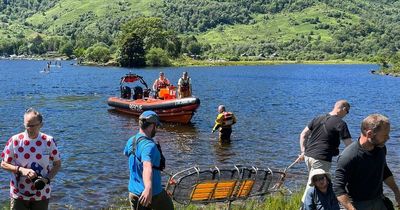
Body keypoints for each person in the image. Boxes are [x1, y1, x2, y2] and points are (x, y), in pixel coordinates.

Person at [333, 114, 400, 210]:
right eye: (385, 135)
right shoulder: (349, 156)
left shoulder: (381, 148)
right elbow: (338, 189)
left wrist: (396, 191)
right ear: (369, 134)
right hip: (358, 204)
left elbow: (384, 170)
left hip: (379, 200)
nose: (388, 138)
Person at [1, 108, 61, 210]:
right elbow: (3, 164)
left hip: (41, 193)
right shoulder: (14, 140)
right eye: (27, 125)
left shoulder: (48, 141)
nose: (29, 128)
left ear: (41, 125)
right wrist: (20, 170)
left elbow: (57, 164)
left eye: (33, 126)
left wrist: (46, 179)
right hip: (18, 193)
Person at [297, 99, 352, 201]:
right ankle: (304, 206)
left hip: (308, 156)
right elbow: (349, 145)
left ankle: (316, 205)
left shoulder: (318, 118)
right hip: (321, 159)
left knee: (315, 184)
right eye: (347, 112)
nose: (347, 114)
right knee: (314, 186)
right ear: (343, 109)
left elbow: (303, 135)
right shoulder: (341, 123)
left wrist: (303, 152)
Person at [123, 111, 174, 210]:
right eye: (156, 126)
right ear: (151, 126)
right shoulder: (149, 146)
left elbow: (126, 153)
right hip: (152, 194)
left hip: (133, 193)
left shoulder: (131, 140)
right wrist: (148, 188)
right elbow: (147, 166)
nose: (157, 129)